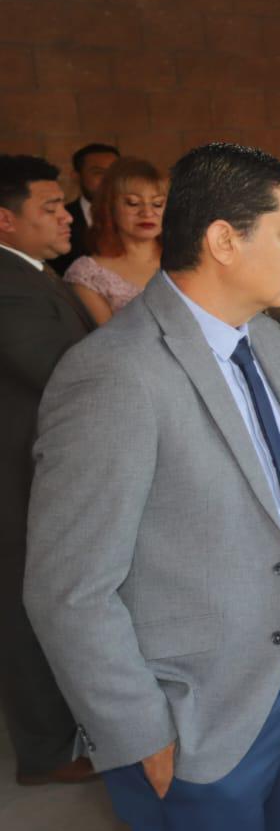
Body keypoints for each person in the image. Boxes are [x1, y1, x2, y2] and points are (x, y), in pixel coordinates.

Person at [26, 142, 280, 831]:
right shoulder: (115, 373)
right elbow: (67, 589)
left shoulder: (265, 339)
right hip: (198, 722)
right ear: (225, 240)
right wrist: (145, 735)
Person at [0, 155, 95, 788]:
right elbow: (57, 368)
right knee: (26, 607)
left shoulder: (37, 273)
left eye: (64, 205)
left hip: (46, 465)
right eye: (50, 208)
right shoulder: (7, 283)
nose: (66, 217)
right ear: (5, 220)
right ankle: (45, 753)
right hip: (17, 473)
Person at [64, 157, 166, 323]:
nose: (147, 213)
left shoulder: (190, 259)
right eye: (133, 203)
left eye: (157, 204)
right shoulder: (87, 274)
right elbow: (106, 344)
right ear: (109, 207)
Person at [63, 142, 120, 271]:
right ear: (76, 176)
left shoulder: (139, 215)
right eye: (98, 173)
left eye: (114, 172)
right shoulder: (61, 217)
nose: (108, 179)